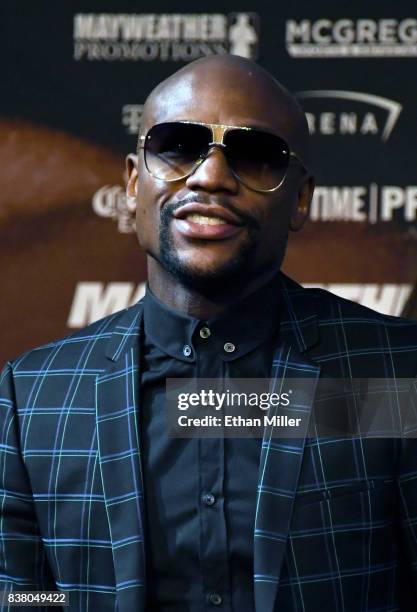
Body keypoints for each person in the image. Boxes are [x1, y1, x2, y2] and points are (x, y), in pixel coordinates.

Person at [1, 55, 417, 612]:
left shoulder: (390, 371)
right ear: (132, 182)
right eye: (176, 145)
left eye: (254, 156)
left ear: (300, 198)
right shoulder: (34, 398)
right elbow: (26, 599)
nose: (210, 176)